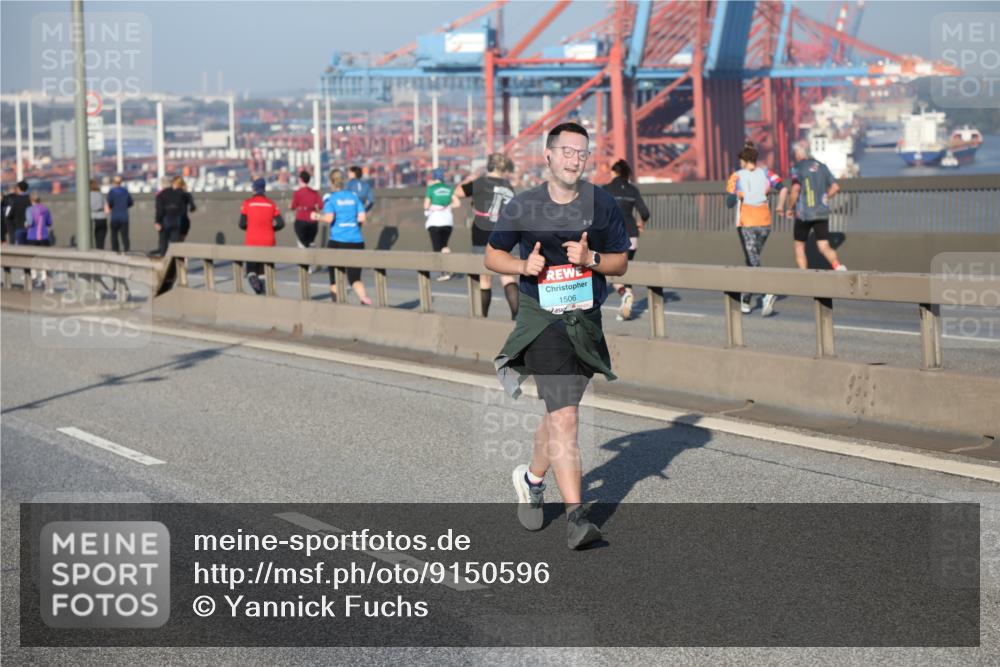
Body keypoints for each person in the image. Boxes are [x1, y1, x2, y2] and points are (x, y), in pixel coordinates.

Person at [485, 121, 630, 550]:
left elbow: (620, 263)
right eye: (566, 151)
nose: (575, 159)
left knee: (556, 413)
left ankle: (531, 479)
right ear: (547, 157)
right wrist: (521, 268)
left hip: (584, 321)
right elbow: (493, 254)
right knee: (566, 417)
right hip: (543, 318)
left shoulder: (601, 203)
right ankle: (576, 518)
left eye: (582, 153)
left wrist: (592, 257)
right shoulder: (524, 206)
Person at [725, 141, 784, 316]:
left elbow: (729, 203)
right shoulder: (767, 173)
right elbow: (781, 187)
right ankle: (746, 300)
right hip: (765, 224)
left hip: (747, 225)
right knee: (752, 259)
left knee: (752, 259)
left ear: (743, 160)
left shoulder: (736, 176)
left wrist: (736, 194)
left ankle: (767, 292)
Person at [458, 152, 518, 318]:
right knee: (507, 276)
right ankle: (516, 316)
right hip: (506, 232)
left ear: (489, 166)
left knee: (484, 278)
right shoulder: (508, 186)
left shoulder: (480, 182)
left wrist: (470, 177)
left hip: (482, 232)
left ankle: (482, 317)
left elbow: (458, 193)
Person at [785, 141, 847, 272]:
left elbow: (795, 189)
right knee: (823, 245)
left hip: (804, 214)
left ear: (797, 154)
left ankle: (803, 275)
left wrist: (789, 208)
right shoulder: (822, 167)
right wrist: (825, 197)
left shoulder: (797, 168)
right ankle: (838, 267)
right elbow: (835, 187)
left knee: (799, 246)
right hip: (822, 212)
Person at [314, 169, 372, 305]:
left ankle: (337, 306)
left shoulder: (330, 198)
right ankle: (364, 298)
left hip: (338, 242)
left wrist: (316, 216)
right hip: (357, 241)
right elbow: (362, 218)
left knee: (334, 278)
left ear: (330, 182)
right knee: (355, 278)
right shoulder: (354, 196)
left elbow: (329, 219)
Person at [602, 159, 650, 321]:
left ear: (614, 172)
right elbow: (644, 212)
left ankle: (625, 293)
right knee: (625, 269)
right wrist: (641, 224)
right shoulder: (632, 190)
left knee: (610, 271)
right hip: (632, 235)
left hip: (614, 236)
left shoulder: (606, 190)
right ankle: (625, 307)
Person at [239, 178, 285, 295]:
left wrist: (250, 228)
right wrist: (271, 229)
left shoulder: (247, 203)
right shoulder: (271, 204)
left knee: (251, 272)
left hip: (252, 241)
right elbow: (281, 223)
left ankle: (260, 291)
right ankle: (265, 293)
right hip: (268, 241)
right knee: (264, 272)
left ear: (254, 189)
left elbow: (242, 224)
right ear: (264, 189)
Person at [423, 167, 460, 281]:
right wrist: (448, 206)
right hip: (448, 221)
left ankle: (444, 272)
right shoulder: (449, 188)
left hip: (435, 221)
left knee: (437, 248)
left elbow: (426, 205)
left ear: (433, 177)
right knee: (444, 245)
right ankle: (449, 267)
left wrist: (430, 209)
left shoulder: (431, 188)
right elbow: (457, 203)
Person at [24, 192, 53, 289]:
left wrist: (26, 225)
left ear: (31, 200)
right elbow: (49, 223)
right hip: (44, 236)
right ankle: (44, 276)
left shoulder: (29, 209)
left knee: (32, 257)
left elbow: (30, 222)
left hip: (32, 236)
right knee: (44, 257)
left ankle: (34, 276)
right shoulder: (45, 209)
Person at [290, 169, 322, 254]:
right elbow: (321, 205)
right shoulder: (314, 193)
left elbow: (293, 206)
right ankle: (312, 261)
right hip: (313, 221)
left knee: (302, 242)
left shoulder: (297, 193)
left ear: (300, 180)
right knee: (310, 241)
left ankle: (304, 264)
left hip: (301, 220)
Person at [154, 176, 187, 256]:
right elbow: (183, 211)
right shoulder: (179, 194)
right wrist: (184, 230)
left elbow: (160, 210)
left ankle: (164, 264)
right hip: (176, 222)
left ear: (162, 184)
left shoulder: (160, 195)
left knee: (163, 244)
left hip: (164, 222)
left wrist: (157, 221)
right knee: (175, 246)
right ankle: (176, 265)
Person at [106, 175, 134, 253]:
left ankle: (115, 250)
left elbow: (109, 203)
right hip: (124, 217)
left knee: (114, 235)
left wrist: (112, 207)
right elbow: (130, 202)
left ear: (113, 182)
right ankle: (126, 250)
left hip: (115, 217)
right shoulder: (125, 191)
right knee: (125, 235)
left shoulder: (112, 192)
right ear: (120, 182)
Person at [3, 181, 31, 245]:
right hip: (29, 228)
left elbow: (8, 215)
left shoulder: (14, 200)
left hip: (17, 228)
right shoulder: (29, 199)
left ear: (18, 188)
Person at [89, 179, 109, 250]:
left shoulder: (87, 195)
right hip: (101, 217)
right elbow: (106, 207)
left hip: (91, 216)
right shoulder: (100, 194)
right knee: (101, 236)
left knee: (90, 235)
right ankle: (100, 249)